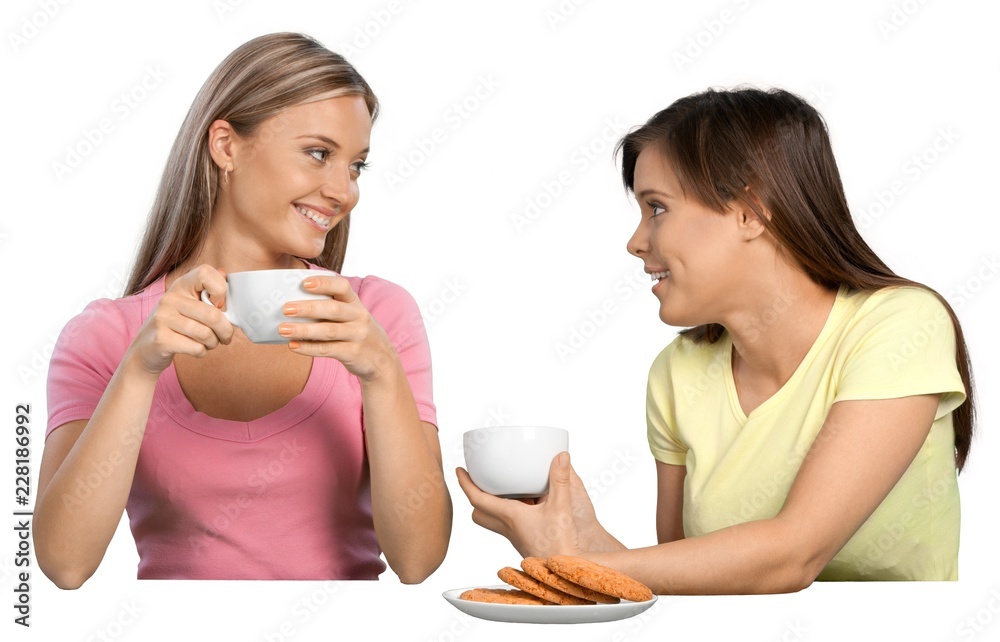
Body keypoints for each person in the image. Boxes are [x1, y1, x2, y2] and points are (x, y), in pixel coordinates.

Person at [457, 87, 975, 592]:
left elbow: (792, 556)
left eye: (656, 207)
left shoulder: (900, 325)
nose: (636, 242)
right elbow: (689, 585)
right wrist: (580, 537)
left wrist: (567, 561)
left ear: (750, 211)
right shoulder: (677, 372)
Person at [34, 33, 451, 587]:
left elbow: (418, 560)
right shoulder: (108, 338)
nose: (344, 191)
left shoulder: (376, 317)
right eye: (319, 154)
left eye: (356, 166)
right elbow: (64, 564)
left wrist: (381, 373)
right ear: (226, 146)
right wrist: (138, 373)